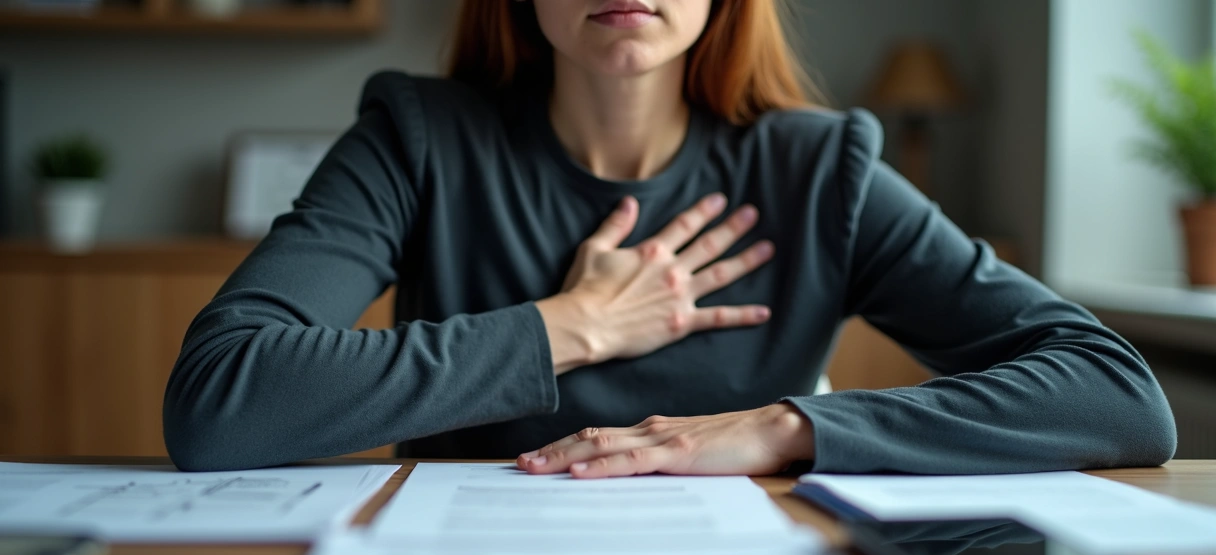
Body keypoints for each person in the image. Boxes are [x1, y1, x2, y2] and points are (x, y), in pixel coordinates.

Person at [163, 0, 1176, 477]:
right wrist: (569, 326)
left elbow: (1114, 390)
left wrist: (778, 428)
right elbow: (221, 401)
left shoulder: (822, 170)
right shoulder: (418, 137)